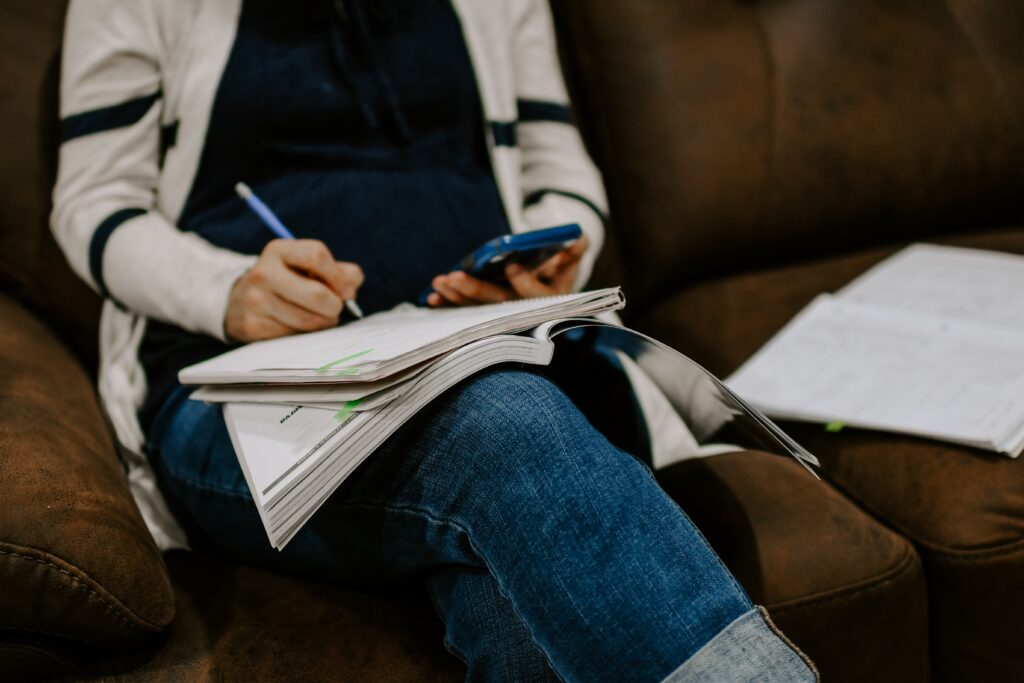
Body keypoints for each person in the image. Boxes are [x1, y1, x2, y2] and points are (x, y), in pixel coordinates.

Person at [52, 1, 818, 680]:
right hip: (242, 386)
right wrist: (228, 292)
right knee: (503, 424)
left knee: (516, 616)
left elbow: (563, 170)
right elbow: (94, 203)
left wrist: (548, 255)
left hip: (497, 341)